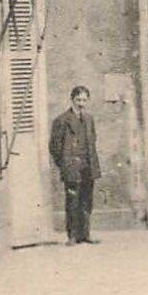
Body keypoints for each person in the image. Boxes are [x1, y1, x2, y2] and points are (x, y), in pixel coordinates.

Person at [49, 86, 101, 243]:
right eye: (78, 100)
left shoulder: (89, 119)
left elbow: (93, 141)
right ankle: (72, 236)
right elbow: (54, 146)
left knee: (86, 201)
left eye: (84, 100)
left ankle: (85, 234)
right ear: (72, 99)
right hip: (72, 167)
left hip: (88, 166)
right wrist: (65, 164)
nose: (81, 103)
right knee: (72, 201)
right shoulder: (62, 120)